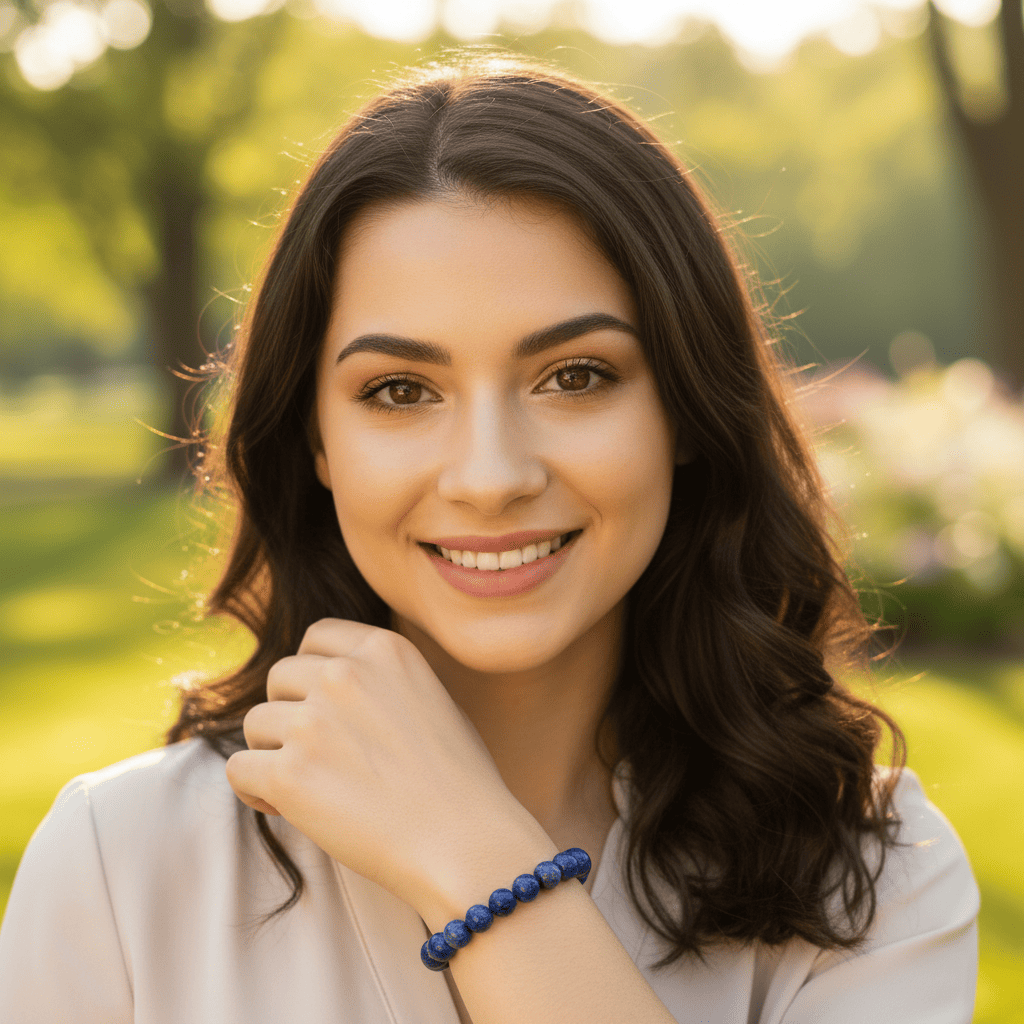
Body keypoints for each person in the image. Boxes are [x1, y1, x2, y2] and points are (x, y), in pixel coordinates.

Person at [0, 52, 978, 1023]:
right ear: (317, 440)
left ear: (682, 406)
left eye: (575, 375)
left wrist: (473, 849)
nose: (490, 477)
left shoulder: (875, 875)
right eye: (399, 391)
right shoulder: (122, 863)